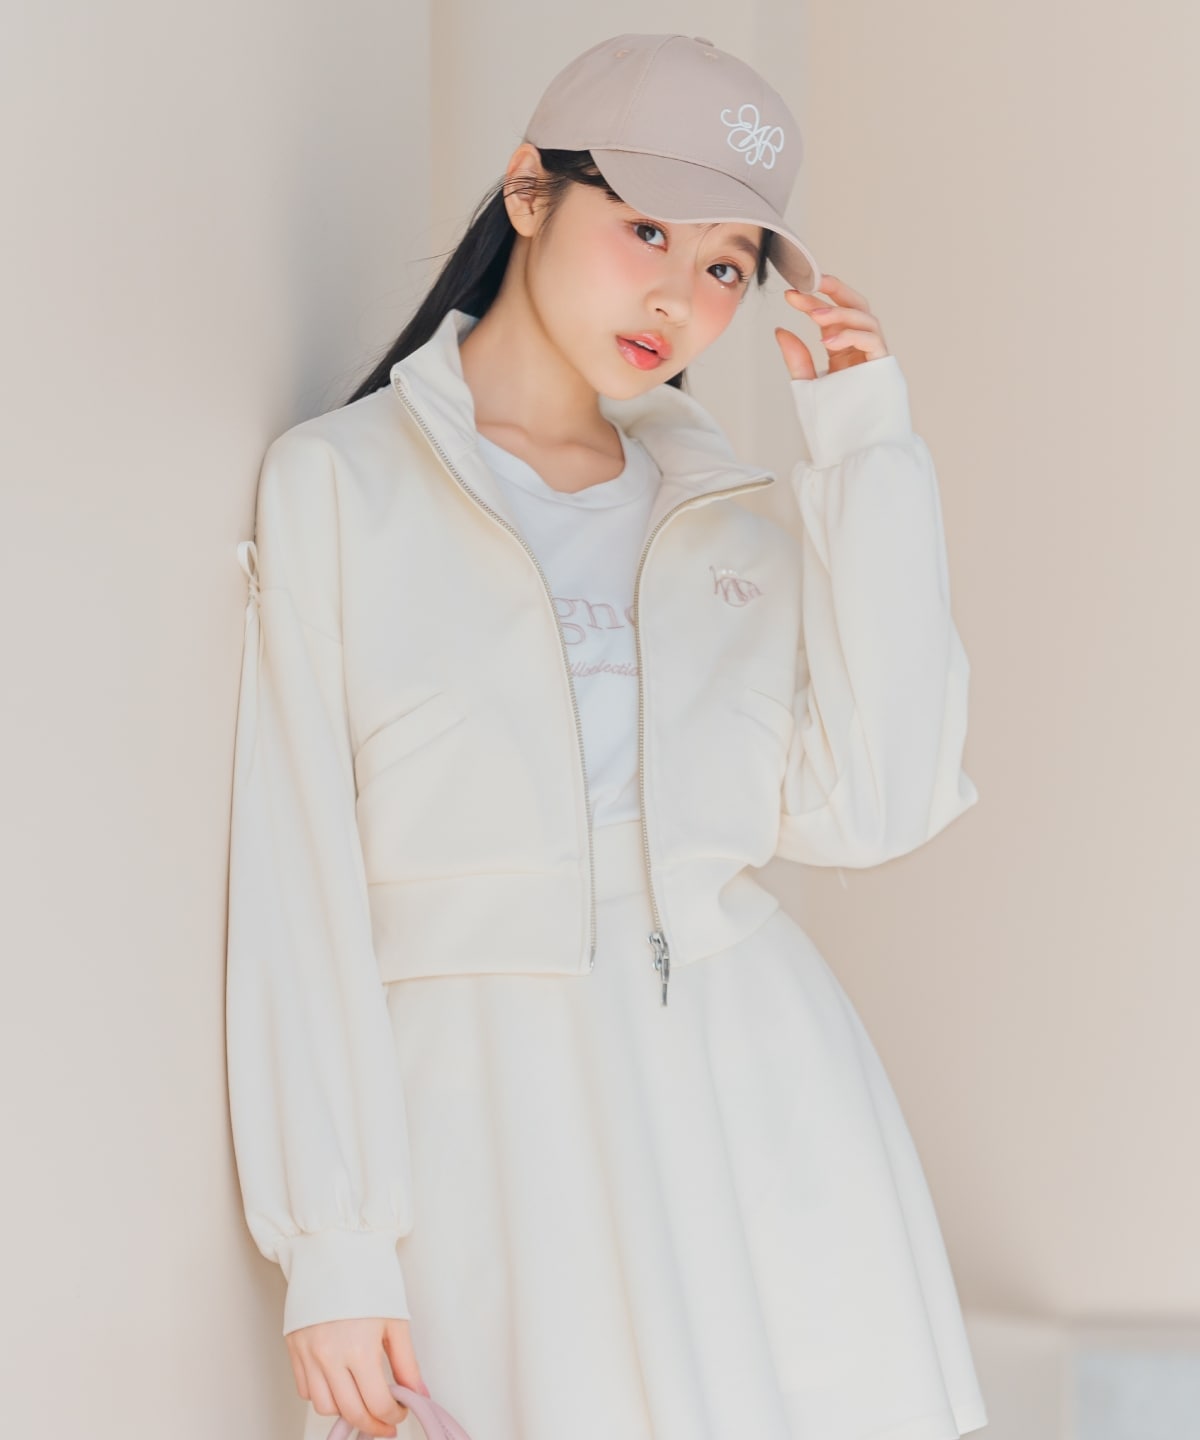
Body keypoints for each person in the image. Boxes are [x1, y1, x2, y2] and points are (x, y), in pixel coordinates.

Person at [225, 31, 989, 1440]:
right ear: (529, 191)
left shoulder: (730, 520)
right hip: (489, 1126)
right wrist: (333, 1240)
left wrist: (866, 449)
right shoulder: (340, 486)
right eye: (646, 229)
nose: (680, 297)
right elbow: (297, 873)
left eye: (726, 267)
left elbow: (877, 803)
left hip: (756, 1113)